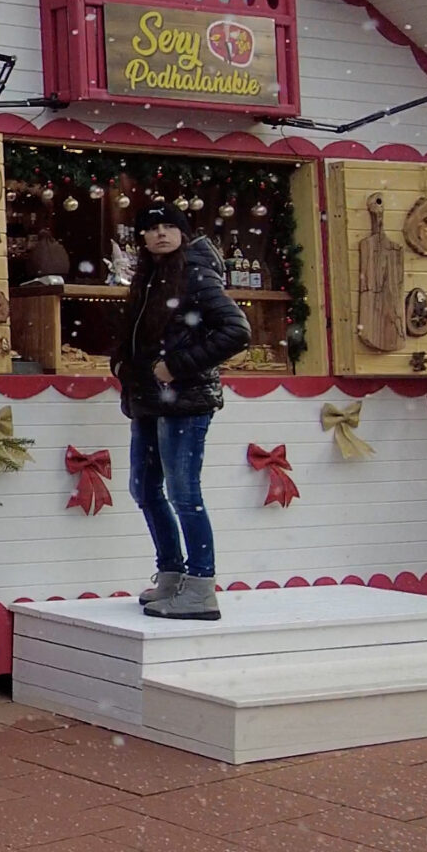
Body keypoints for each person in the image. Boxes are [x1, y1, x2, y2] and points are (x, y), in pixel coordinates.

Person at [110, 202, 249, 622]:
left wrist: (176, 366)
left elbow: (236, 331)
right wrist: (122, 363)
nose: (161, 234)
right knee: (144, 488)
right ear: (142, 237)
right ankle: (172, 574)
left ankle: (201, 587)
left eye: (170, 226)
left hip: (185, 401)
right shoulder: (148, 277)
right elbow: (140, 335)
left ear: (183, 233)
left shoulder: (196, 275)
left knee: (184, 493)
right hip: (149, 401)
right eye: (153, 227)